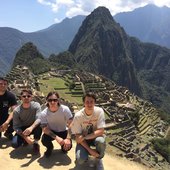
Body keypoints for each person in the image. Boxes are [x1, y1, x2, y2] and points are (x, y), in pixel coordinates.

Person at [71, 92, 106, 169]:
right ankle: (84, 156)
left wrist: (85, 137)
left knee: (101, 141)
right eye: (87, 102)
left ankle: (98, 159)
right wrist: (90, 150)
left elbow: (101, 131)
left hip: (95, 137)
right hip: (84, 141)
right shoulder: (78, 116)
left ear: (95, 102)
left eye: (91, 102)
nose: (89, 104)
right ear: (84, 103)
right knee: (80, 160)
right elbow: (78, 137)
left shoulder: (99, 111)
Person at [40, 91, 73, 158]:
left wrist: (68, 138)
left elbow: (71, 124)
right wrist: (57, 138)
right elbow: (44, 129)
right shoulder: (44, 113)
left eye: (55, 100)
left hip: (63, 131)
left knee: (68, 146)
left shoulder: (65, 109)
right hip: (51, 131)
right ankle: (50, 148)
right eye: (50, 100)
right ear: (47, 101)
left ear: (58, 100)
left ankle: (63, 148)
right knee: (44, 140)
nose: (52, 102)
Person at [11, 89, 42, 155]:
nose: (26, 98)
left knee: (39, 124)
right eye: (24, 96)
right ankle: (25, 140)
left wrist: (31, 127)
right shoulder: (17, 111)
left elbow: (39, 118)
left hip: (34, 127)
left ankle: (36, 143)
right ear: (20, 98)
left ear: (31, 97)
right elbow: (15, 127)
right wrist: (25, 137)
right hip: (23, 128)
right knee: (14, 144)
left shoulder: (36, 105)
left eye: (28, 96)